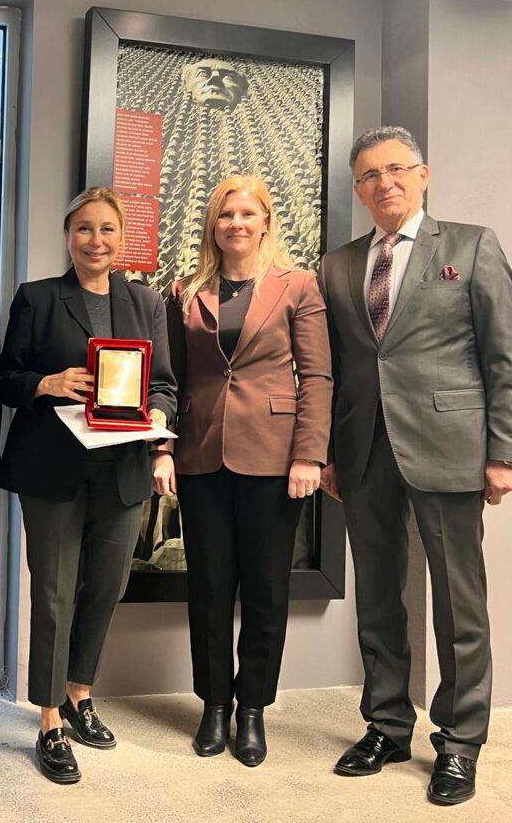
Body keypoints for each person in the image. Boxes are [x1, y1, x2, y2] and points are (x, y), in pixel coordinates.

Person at [318, 126, 512, 806]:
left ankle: (460, 742)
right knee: (379, 597)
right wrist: (328, 453)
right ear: (358, 189)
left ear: (423, 174)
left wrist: (507, 452)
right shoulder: (337, 265)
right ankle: (385, 725)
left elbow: (506, 356)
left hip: (451, 448)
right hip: (364, 451)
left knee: (459, 603)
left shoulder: (471, 246)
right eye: (369, 175)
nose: (384, 183)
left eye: (396, 169)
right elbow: (333, 368)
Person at [0, 187, 176, 784]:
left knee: (105, 587)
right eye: (83, 229)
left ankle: (79, 693)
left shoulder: (146, 303)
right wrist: (45, 384)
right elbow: (4, 377)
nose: (95, 241)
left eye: (106, 229)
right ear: (67, 236)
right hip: (52, 468)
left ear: (121, 239)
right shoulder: (38, 298)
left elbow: (165, 384)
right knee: (53, 592)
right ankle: (49, 718)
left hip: (122, 468)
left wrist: (157, 416)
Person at [152, 175, 331, 767]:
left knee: (265, 588)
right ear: (213, 224)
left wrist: (309, 454)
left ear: (265, 221)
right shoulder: (186, 291)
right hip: (201, 454)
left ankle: (252, 708)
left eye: (247, 213)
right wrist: (163, 448)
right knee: (207, 587)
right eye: (225, 214)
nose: (235, 223)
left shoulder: (297, 285)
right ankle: (214, 705)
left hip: (275, 457)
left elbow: (318, 376)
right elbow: (170, 380)